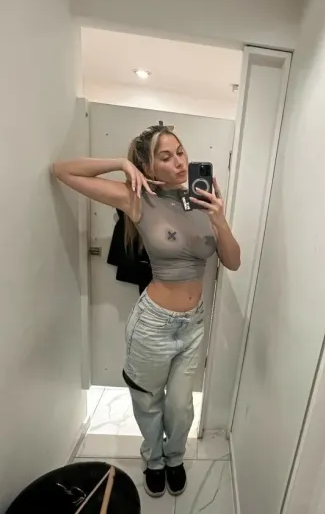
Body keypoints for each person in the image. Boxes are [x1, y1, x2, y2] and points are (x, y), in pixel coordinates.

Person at [51, 124, 241, 498]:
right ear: (149, 167)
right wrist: (121, 164)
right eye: (165, 157)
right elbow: (62, 171)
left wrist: (219, 218)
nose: (179, 162)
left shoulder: (202, 201)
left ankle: (174, 457)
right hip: (153, 323)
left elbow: (232, 261)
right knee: (147, 401)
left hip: (193, 325)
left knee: (181, 407)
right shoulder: (137, 199)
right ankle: (154, 461)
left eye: (181, 152)